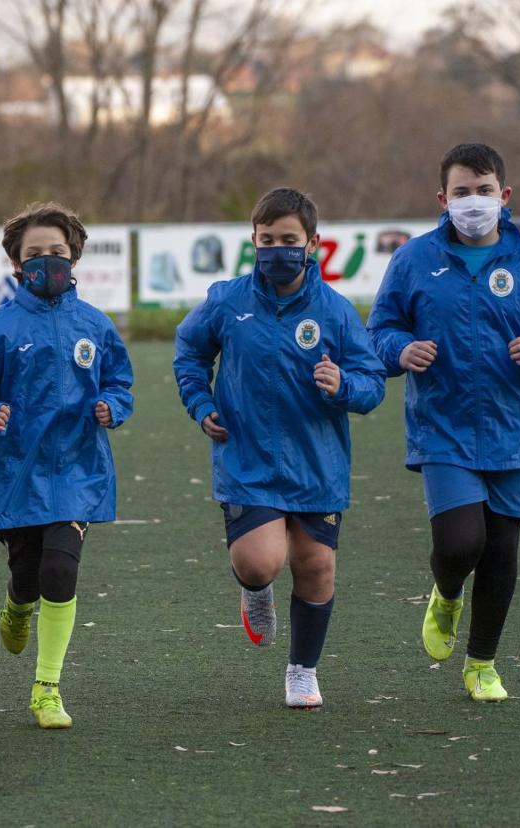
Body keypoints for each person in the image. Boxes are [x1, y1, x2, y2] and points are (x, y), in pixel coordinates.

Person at [367, 143, 520, 702]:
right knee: (462, 542)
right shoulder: (414, 260)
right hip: (443, 426)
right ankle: (445, 595)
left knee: (502, 552)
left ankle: (481, 663)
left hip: (514, 431)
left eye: (483, 190)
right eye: (462, 192)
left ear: (504, 196)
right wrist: (401, 351)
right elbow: (381, 329)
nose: (473, 201)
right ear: (442, 199)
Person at [174, 187, 385, 708]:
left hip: (318, 463)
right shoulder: (227, 300)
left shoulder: (335, 310)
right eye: (266, 240)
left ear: (312, 243)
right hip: (248, 458)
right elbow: (188, 352)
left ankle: (302, 670)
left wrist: (346, 386)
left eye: (288, 240)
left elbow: (373, 381)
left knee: (315, 566)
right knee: (260, 562)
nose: (277, 250)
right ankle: (255, 591)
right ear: (253, 241)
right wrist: (202, 404)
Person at [0, 202, 134, 729]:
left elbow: (120, 382)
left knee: (60, 568)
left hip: (79, 469)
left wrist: (112, 407)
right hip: (16, 472)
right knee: (27, 574)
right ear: (15, 264)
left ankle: (46, 687)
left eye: (56, 252)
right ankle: (16, 604)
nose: (47, 261)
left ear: (73, 257)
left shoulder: (94, 324)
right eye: (35, 254)